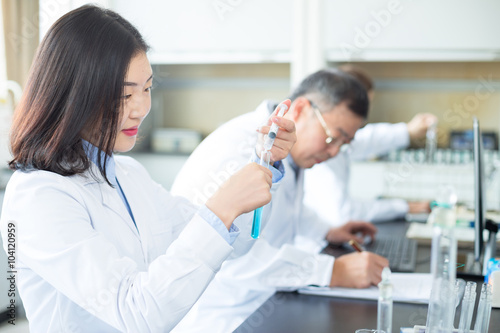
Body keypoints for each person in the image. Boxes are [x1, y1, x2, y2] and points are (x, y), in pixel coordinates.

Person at [0, 5, 297, 332]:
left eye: (147, 89)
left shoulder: (127, 174)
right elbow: (136, 314)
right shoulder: (39, 195)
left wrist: (266, 159)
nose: (141, 108)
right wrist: (222, 207)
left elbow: (232, 242)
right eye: (124, 94)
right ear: (76, 95)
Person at [170, 69, 389, 332]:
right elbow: (232, 255)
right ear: (299, 110)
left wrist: (327, 231)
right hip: (224, 317)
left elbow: (282, 210)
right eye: (333, 137)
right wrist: (330, 272)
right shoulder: (241, 152)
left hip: (260, 303)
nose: (333, 152)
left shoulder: (287, 149)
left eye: (344, 144)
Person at [303, 65, 437, 226]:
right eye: (365, 103)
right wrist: (403, 207)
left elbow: (367, 139)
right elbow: (342, 213)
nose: (365, 113)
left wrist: (408, 131)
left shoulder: (337, 142)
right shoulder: (323, 150)